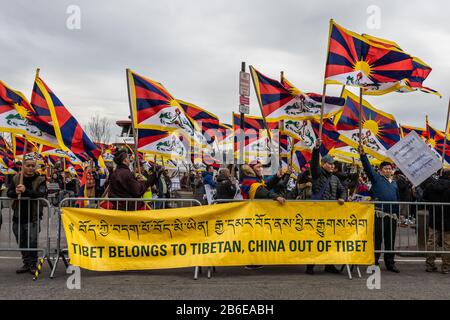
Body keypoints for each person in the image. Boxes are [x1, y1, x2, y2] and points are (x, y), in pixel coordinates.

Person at [307, 140, 346, 275]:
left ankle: (329, 264)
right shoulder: (318, 174)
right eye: (329, 163)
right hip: (317, 212)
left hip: (331, 214)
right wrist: (316, 149)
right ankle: (310, 265)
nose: (332, 166)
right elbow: (313, 164)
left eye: (333, 164)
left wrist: (343, 198)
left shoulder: (335, 179)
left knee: (330, 239)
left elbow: (343, 190)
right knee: (316, 238)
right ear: (323, 164)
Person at [359, 145, 400, 273]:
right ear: (381, 170)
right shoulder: (376, 179)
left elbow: (397, 199)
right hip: (379, 214)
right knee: (377, 240)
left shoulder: (394, 183)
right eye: (386, 169)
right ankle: (374, 262)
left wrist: (398, 215)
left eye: (390, 169)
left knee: (390, 241)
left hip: (392, 216)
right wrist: (363, 155)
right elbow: (368, 168)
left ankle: (390, 263)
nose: (388, 171)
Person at [240, 160, 286, 270]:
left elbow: (265, 187)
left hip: (255, 213)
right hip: (251, 213)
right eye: (258, 167)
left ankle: (255, 260)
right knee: (253, 237)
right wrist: (276, 197)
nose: (261, 169)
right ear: (251, 169)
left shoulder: (255, 180)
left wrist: (277, 177)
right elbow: (262, 192)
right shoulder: (250, 181)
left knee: (255, 237)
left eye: (261, 167)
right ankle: (251, 261)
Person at [7, 155, 47, 274]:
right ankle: (26, 263)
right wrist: (16, 192)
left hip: (33, 216)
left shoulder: (41, 179)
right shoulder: (16, 178)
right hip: (18, 216)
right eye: (28, 165)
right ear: (23, 166)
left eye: (32, 166)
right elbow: (9, 193)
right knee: (21, 240)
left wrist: (26, 191)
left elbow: (41, 194)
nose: (30, 168)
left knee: (32, 241)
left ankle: (33, 264)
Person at [423, 169, 450, 274]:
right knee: (447, 244)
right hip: (448, 219)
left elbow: (424, 197)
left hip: (434, 218)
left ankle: (430, 265)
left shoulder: (431, 185)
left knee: (431, 242)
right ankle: (446, 267)